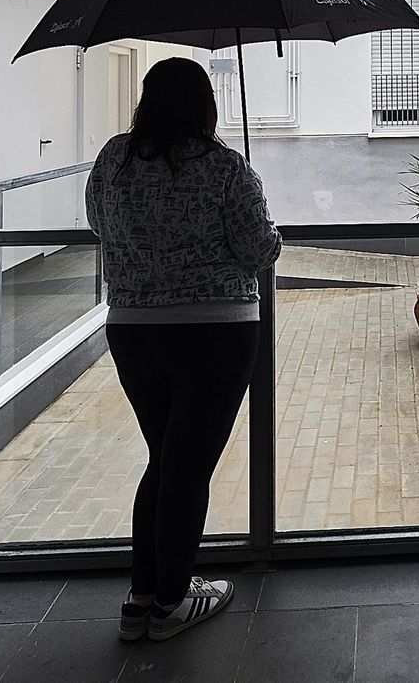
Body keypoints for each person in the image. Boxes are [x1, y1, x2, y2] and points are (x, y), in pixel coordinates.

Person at [84, 57, 282, 642]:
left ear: (147, 102)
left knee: (165, 459)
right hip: (215, 333)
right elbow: (256, 252)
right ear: (204, 106)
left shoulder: (113, 161)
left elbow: (99, 226)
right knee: (187, 467)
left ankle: (141, 599)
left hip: (134, 329)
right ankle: (172, 603)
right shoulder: (225, 167)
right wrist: (274, 233)